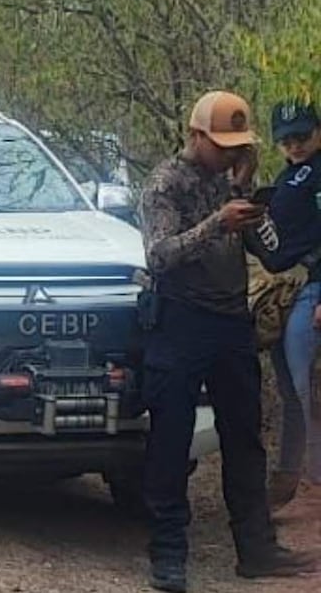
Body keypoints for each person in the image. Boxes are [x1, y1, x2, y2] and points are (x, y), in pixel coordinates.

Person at [138, 90, 318, 592]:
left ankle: (256, 549)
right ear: (197, 136)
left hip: (230, 321)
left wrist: (253, 199)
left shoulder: (230, 182)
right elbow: (159, 255)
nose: (230, 153)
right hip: (181, 321)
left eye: (237, 145)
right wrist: (217, 221)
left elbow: (274, 253)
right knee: (171, 441)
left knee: (245, 438)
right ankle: (169, 554)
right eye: (223, 145)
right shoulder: (165, 184)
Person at [263, 100, 321, 510]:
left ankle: (315, 477)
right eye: (286, 140)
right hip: (283, 287)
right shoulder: (289, 176)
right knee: (289, 387)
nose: (294, 145)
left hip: (312, 287)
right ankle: (293, 474)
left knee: (308, 387)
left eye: (301, 136)